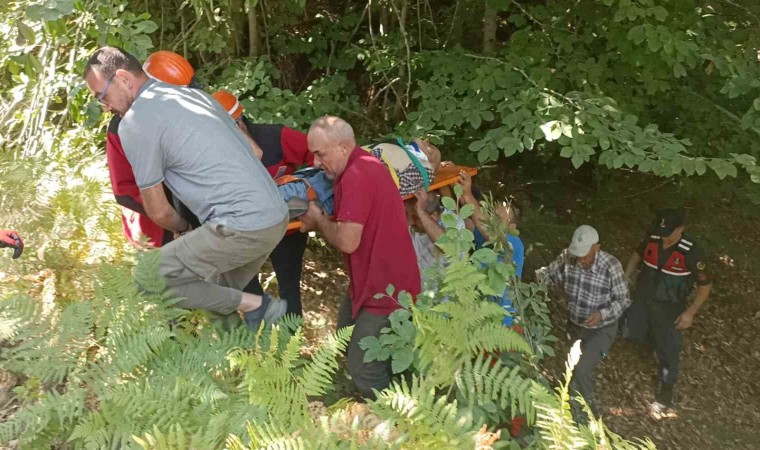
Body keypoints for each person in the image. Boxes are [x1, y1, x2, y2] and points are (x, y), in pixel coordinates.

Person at [83, 46, 288, 331]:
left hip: (242, 225)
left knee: (149, 278)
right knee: (217, 297)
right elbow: (254, 153)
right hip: (276, 216)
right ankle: (244, 363)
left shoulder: (135, 122)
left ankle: (258, 305)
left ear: (123, 78)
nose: (105, 106)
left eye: (102, 96)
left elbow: (159, 211)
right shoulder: (193, 96)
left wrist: (184, 228)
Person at [299, 116, 421, 398]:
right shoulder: (364, 165)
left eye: (320, 154)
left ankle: (397, 425)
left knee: (364, 367)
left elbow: (347, 240)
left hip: (387, 290)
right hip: (374, 284)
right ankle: (375, 403)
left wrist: (318, 222)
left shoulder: (356, 175)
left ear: (342, 147)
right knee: (346, 335)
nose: (316, 163)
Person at [212, 90, 314, 316]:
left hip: (287, 229)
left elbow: (319, 157)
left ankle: (290, 342)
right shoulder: (216, 154)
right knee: (249, 293)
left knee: (290, 290)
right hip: (246, 234)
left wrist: (312, 195)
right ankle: (263, 339)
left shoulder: (276, 137)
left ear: (239, 123)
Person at [623, 208, 712, 418]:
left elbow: (705, 284)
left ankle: (664, 395)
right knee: (630, 332)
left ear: (680, 228)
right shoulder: (653, 238)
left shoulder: (691, 252)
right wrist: (626, 276)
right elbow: (637, 254)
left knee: (669, 351)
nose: (663, 236)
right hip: (643, 299)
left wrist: (690, 312)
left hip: (670, 307)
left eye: (669, 231)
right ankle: (648, 343)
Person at [537, 225, 630, 423]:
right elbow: (549, 276)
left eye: (585, 253)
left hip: (602, 328)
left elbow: (623, 300)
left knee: (582, 368)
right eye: (577, 253)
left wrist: (602, 313)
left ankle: (588, 418)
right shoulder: (568, 258)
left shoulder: (611, 265)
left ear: (597, 247)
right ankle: (573, 409)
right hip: (576, 325)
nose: (581, 259)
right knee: (570, 369)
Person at [105, 51, 197, 248]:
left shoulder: (191, 110)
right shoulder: (121, 128)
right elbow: (124, 189)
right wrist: (170, 217)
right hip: (159, 227)